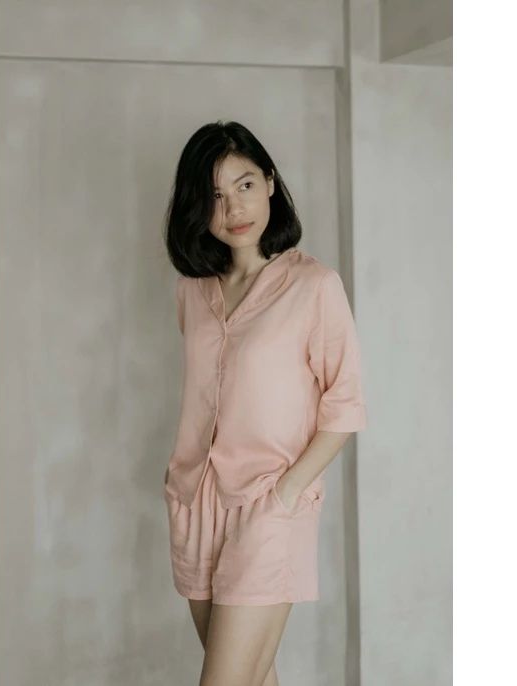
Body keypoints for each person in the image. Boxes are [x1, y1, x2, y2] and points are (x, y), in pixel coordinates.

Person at [162, 120, 367, 686]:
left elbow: (345, 403)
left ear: (271, 182)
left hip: (268, 502)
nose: (234, 208)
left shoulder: (315, 286)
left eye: (245, 185)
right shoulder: (192, 291)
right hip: (195, 502)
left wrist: (287, 493)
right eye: (215, 196)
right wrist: (178, 483)